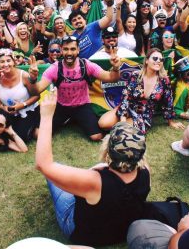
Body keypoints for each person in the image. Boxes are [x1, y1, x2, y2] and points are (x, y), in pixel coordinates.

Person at [36, 90, 150, 247]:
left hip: (86, 235)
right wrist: (102, 168)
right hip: (121, 231)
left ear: (108, 149)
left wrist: (47, 116)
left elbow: (43, 164)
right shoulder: (145, 172)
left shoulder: (94, 181)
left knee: (54, 173)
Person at [27, 36, 121, 141]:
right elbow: (36, 90)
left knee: (96, 137)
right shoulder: (54, 68)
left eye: (72, 49)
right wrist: (32, 79)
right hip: (61, 106)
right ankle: (70, 119)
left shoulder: (86, 65)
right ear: (61, 50)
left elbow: (112, 78)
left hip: (82, 106)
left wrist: (116, 68)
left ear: (78, 50)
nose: (69, 53)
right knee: (38, 134)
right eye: (66, 49)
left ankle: (75, 119)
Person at [98, 48, 183, 134]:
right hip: (127, 108)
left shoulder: (164, 80)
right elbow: (126, 97)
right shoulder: (135, 75)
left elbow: (168, 102)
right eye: (155, 58)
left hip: (143, 115)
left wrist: (171, 122)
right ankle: (121, 124)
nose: (158, 61)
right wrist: (123, 119)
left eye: (161, 59)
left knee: (122, 131)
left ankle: (119, 128)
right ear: (146, 61)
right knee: (103, 124)